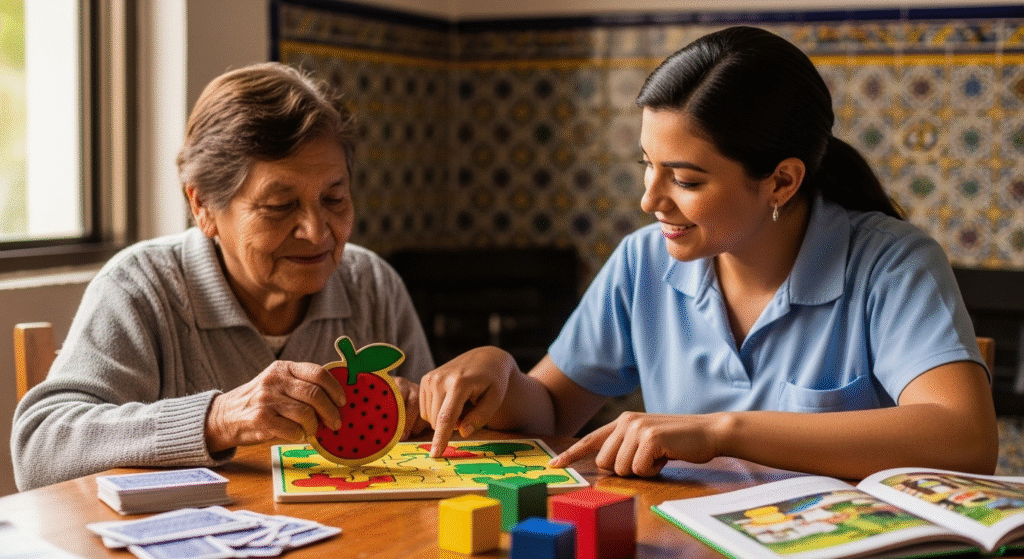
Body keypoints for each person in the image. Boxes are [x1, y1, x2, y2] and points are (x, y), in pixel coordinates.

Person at [417, 26, 998, 480]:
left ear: (781, 181)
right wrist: (499, 372)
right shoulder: (643, 262)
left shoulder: (892, 263)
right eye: (647, 165)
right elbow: (548, 411)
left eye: (686, 180)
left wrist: (719, 433)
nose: (649, 200)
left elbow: (965, 439)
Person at [11, 62, 433, 490]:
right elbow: (38, 449)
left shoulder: (372, 285)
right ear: (203, 207)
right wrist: (218, 419)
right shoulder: (140, 287)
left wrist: (429, 411)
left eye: (334, 198)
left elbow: (433, 449)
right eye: (279, 206)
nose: (317, 232)